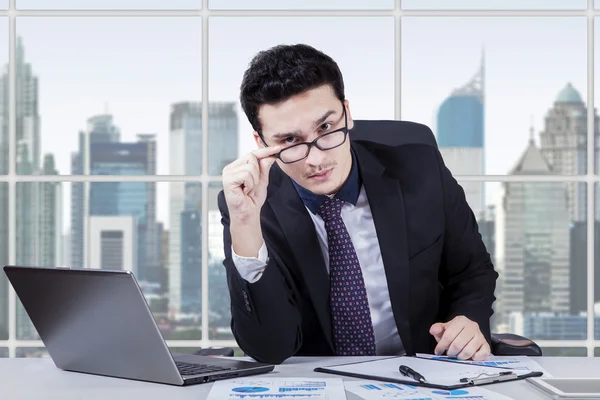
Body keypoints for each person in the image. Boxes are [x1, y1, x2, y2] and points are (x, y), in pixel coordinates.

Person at [218, 43, 498, 365]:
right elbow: (269, 348)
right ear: (262, 144)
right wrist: (244, 223)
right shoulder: (251, 207)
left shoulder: (421, 171)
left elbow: (472, 271)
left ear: (347, 114)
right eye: (290, 141)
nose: (317, 158)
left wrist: (468, 318)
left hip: (422, 373)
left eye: (326, 127)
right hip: (318, 384)